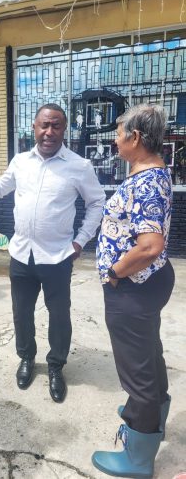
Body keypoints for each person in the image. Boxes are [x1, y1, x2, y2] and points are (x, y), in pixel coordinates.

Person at [0, 103, 105, 403]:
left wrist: (80, 241)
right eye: (44, 125)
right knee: (21, 313)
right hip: (21, 255)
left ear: (64, 129)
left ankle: (56, 366)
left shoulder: (79, 166)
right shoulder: (20, 162)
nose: (49, 131)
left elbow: (97, 203)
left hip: (57, 257)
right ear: (34, 127)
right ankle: (27, 358)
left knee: (59, 315)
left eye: (56, 125)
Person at [92, 104, 175, 478]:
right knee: (148, 354)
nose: (115, 139)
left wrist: (114, 272)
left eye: (119, 132)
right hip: (146, 283)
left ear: (135, 138)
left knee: (136, 369)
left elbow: (149, 246)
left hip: (133, 286)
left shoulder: (145, 182)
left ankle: (138, 458)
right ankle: (151, 414)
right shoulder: (151, 174)